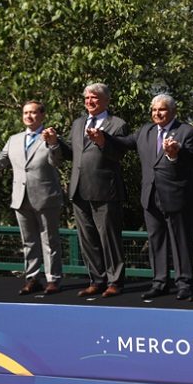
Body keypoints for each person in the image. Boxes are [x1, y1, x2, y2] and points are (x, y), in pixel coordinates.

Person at [101, 94, 193, 300]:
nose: (157, 113)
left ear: (173, 111)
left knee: (181, 242)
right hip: (150, 195)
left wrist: (176, 153)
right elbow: (124, 142)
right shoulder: (146, 130)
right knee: (156, 241)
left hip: (177, 196)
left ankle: (184, 283)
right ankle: (160, 282)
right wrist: (103, 137)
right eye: (154, 110)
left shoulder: (186, 131)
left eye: (161, 109)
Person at [0, 101, 64, 295]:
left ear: (42, 115)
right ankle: (32, 278)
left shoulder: (51, 137)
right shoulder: (14, 139)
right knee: (28, 241)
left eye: (33, 112)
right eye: (25, 113)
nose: (28, 116)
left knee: (50, 241)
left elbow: (56, 161)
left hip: (46, 198)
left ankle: (53, 279)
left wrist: (53, 143)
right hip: (20, 198)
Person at [44, 83, 128, 298]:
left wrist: (102, 142)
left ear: (106, 100)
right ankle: (97, 280)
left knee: (109, 239)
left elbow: (119, 154)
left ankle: (115, 282)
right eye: (87, 98)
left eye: (95, 98)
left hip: (105, 190)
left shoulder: (117, 124)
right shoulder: (78, 123)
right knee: (88, 240)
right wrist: (55, 142)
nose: (89, 101)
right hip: (79, 189)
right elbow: (71, 153)